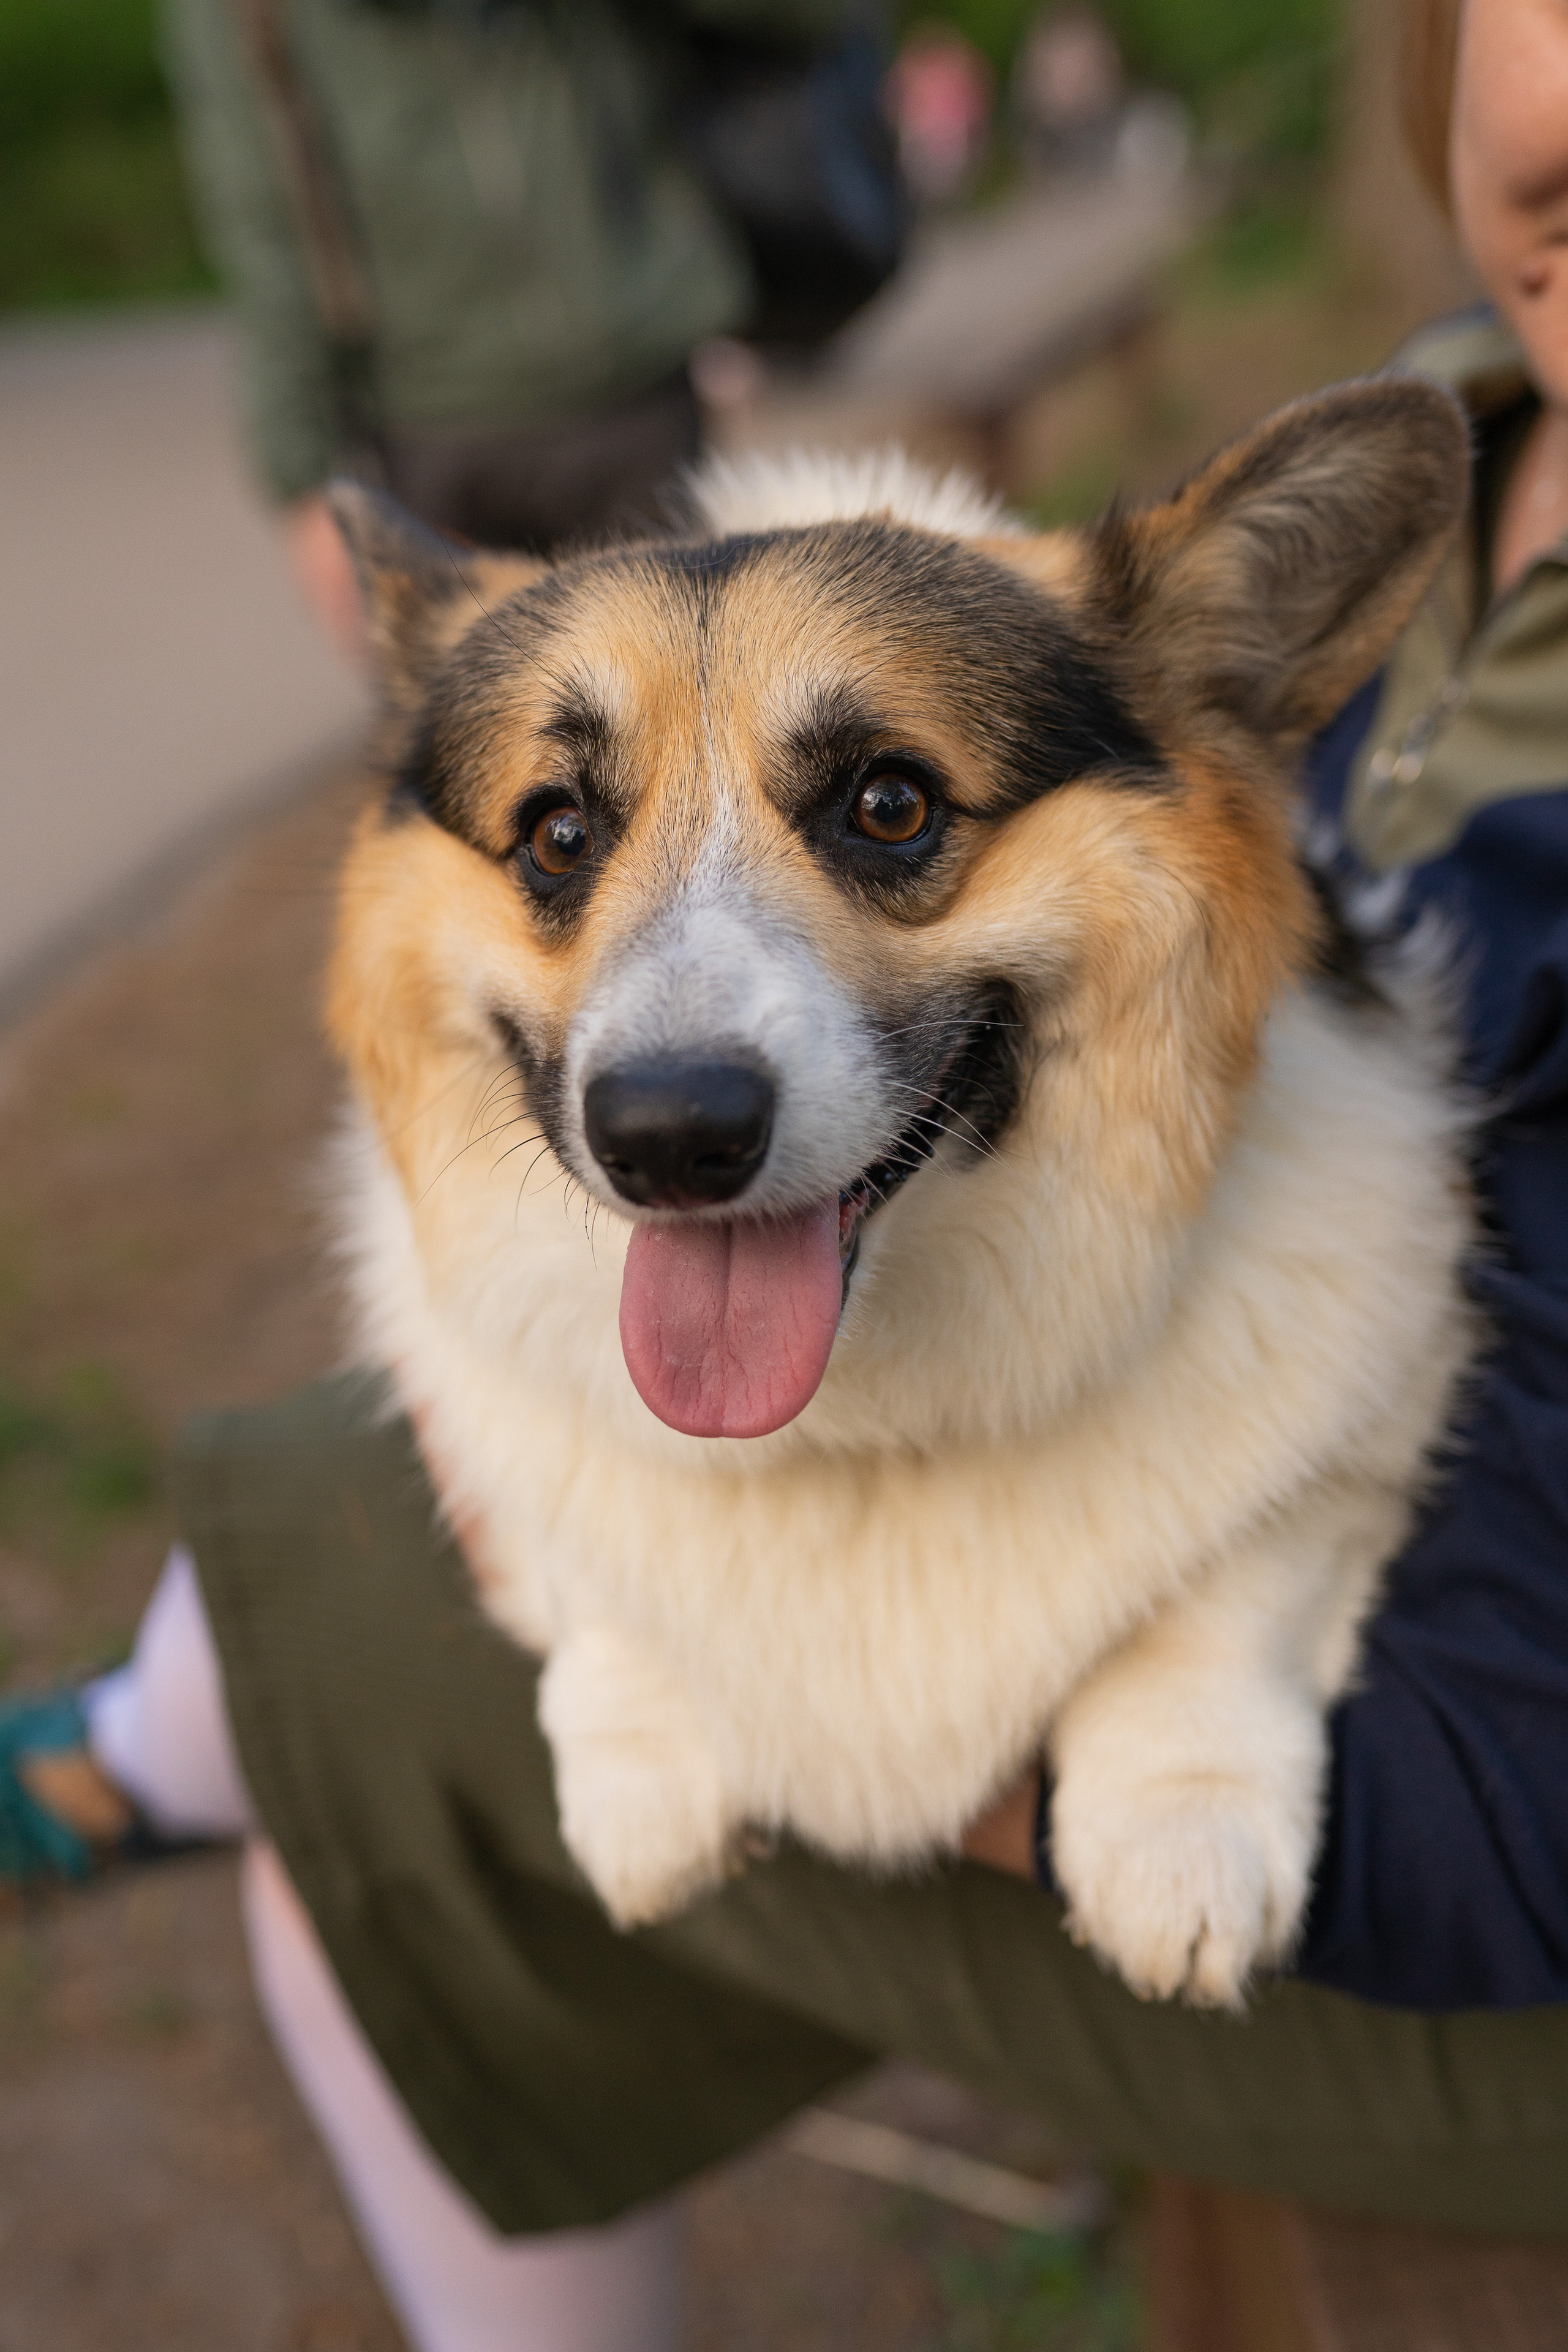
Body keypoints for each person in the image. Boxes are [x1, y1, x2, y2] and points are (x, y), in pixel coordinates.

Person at [6, 0, 1568, 2341]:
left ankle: (138, 1761)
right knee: (373, 1571)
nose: (663, 1077)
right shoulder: (1464, 403)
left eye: (889, 816)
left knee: (333, 1598)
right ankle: (146, 1755)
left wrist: (1103, 1719)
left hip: (1466, 1888)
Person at [160, 0, 853, 658]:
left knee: (674, 716)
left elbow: (807, 19)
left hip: (637, 398)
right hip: (436, 433)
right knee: (490, 748)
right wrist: (304, 486)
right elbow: (264, 226)